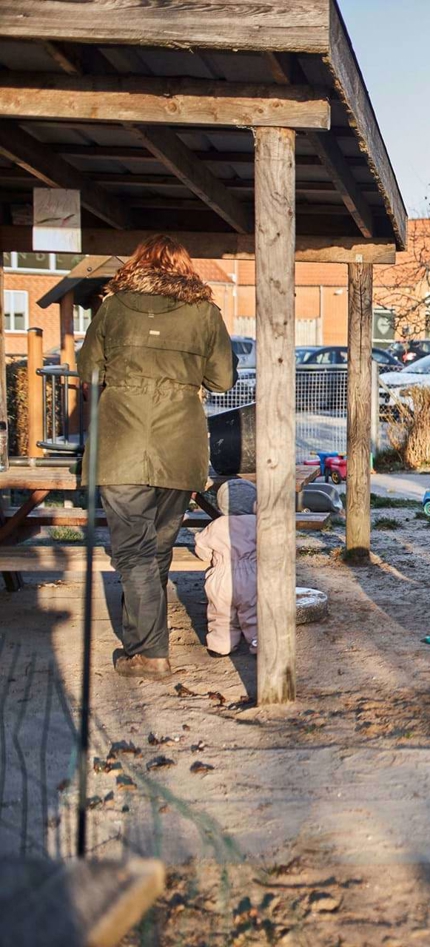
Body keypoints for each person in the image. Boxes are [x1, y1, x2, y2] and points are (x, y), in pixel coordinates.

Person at [78, 234, 236, 679]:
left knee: (134, 552)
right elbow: (223, 378)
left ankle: (148, 653)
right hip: (180, 443)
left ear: (137, 264)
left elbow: (88, 368)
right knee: (156, 548)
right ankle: (143, 644)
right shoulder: (205, 312)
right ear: (184, 267)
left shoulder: (112, 307)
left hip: (120, 442)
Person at [193, 479, 258, 657]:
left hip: (221, 576)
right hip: (251, 577)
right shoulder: (257, 523)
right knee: (253, 613)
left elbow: (202, 548)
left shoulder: (216, 525)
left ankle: (220, 646)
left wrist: (211, 558)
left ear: (221, 506)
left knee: (221, 614)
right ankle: (257, 644)